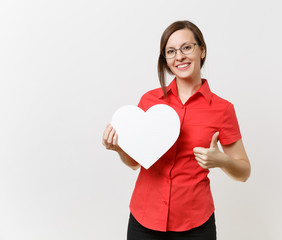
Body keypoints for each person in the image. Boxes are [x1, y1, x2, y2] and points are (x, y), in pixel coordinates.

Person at [102, 20, 251, 240]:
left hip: (195, 224)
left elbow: (244, 172)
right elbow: (135, 162)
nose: (179, 56)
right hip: (144, 220)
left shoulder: (222, 109)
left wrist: (220, 160)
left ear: (202, 50)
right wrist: (119, 149)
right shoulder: (149, 100)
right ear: (165, 59)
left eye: (187, 47)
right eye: (170, 51)